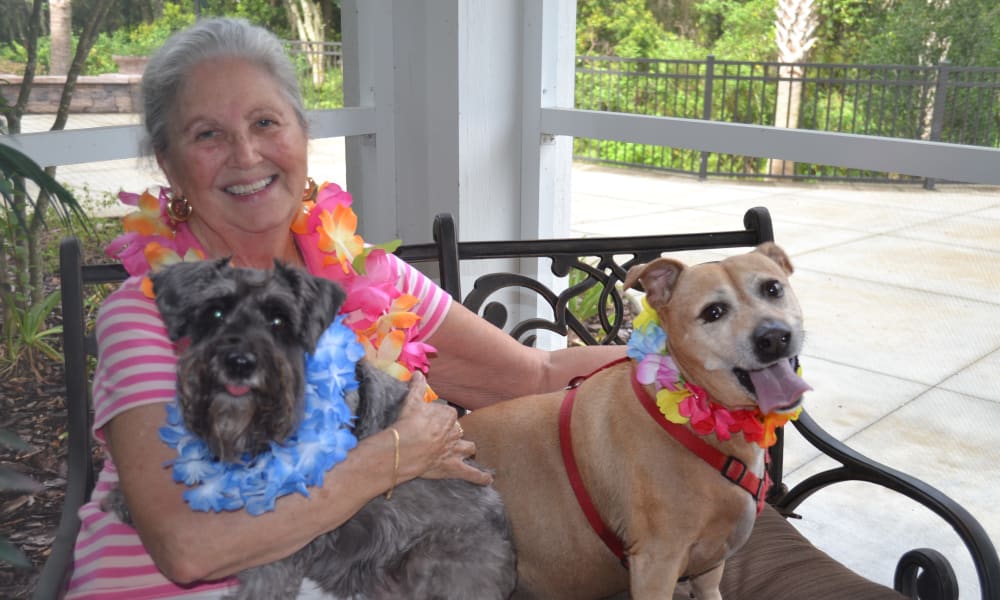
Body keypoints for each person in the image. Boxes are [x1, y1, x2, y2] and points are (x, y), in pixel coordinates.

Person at [66, 17, 904, 600]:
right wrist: (387, 461)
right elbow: (183, 549)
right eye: (207, 135)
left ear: (300, 132)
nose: (246, 155)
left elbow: (532, 371)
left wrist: (676, 365)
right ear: (169, 165)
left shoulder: (370, 278)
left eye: (265, 121)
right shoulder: (152, 314)